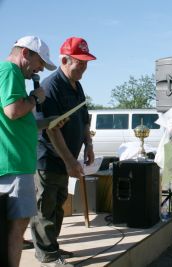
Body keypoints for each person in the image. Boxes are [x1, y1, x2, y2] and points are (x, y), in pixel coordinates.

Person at [30, 37, 96, 267]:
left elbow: (83, 117)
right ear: (65, 60)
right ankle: (46, 254)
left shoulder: (76, 85)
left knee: (57, 205)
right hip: (48, 158)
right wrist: (69, 161)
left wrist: (88, 144)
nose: (84, 67)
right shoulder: (51, 86)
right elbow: (52, 129)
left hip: (65, 158)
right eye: (81, 62)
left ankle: (52, 248)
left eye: (87, 62)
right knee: (44, 208)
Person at [0, 36, 57, 267]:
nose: (40, 69)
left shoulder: (10, 75)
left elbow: (17, 121)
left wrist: (49, 122)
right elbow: (13, 111)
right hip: (13, 165)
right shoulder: (9, 70)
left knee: (13, 227)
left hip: (16, 163)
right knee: (16, 228)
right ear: (25, 53)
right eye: (40, 62)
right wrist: (35, 97)